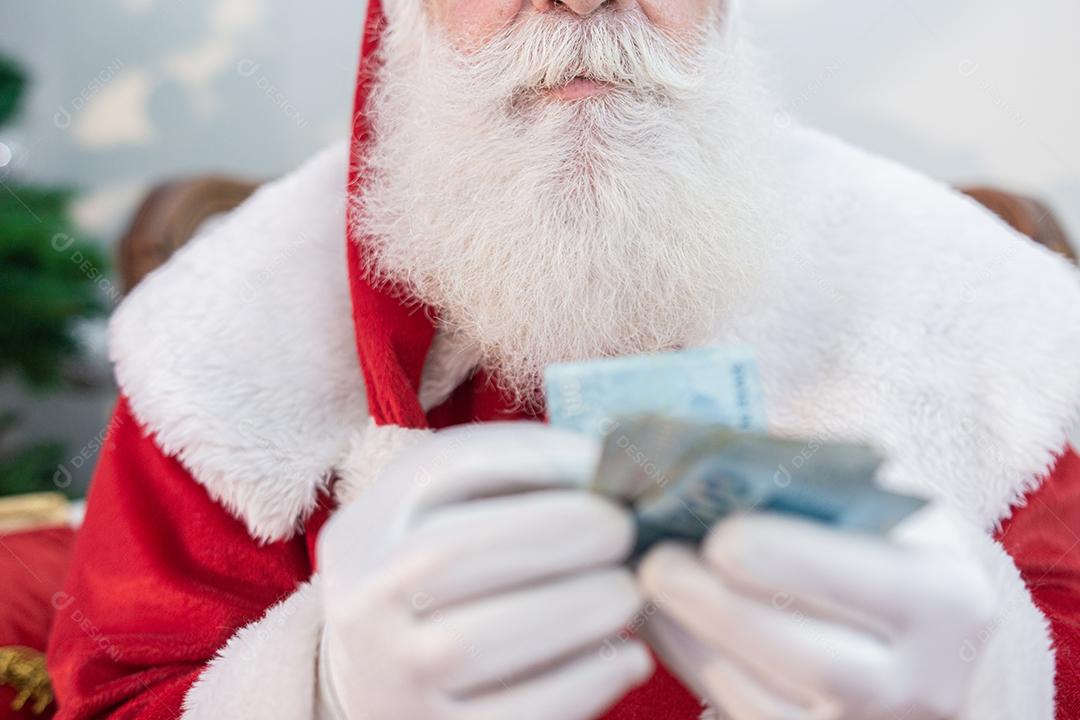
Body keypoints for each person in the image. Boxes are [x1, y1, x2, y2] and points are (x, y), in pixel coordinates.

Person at [47, 0, 1080, 717]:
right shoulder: (229, 333)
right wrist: (323, 695)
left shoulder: (964, 305)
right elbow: (123, 688)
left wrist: (990, 679)